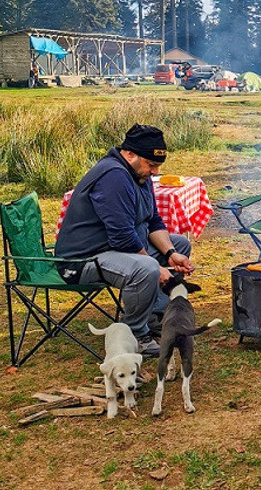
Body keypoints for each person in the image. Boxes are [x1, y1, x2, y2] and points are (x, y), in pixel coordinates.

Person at [55, 124, 195, 357]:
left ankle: (154, 316)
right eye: (151, 165)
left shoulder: (139, 174)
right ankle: (136, 334)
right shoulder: (114, 177)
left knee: (180, 244)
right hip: (83, 259)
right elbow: (121, 236)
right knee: (146, 267)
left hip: (116, 249)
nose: (155, 171)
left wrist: (170, 254)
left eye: (158, 165)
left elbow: (153, 221)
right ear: (130, 154)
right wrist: (157, 266)